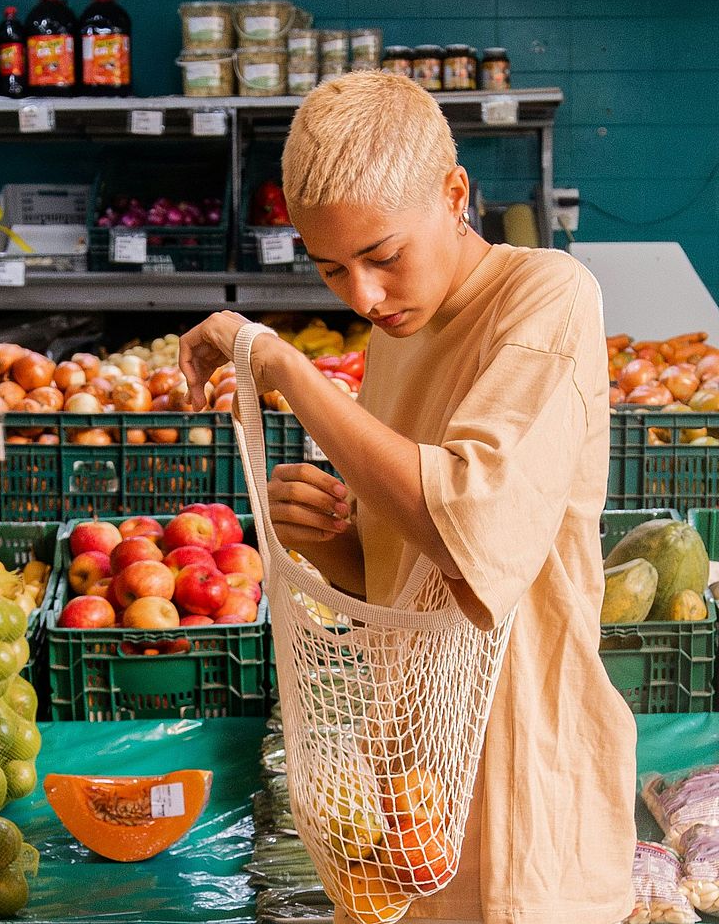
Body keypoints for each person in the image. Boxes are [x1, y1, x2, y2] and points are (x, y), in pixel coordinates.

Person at [179, 71, 636, 924]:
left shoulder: (546, 297)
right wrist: (335, 546)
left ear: (455, 193)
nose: (363, 296)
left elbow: (472, 530)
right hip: (415, 798)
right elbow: (409, 594)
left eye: (384, 256)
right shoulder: (396, 339)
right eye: (332, 269)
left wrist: (282, 367)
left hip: (524, 788)